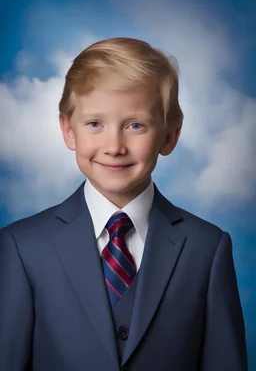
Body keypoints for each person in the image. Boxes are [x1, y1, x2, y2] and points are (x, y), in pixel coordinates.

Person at [0, 37, 247, 370]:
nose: (114, 146)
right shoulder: (22, 246)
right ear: (68, 131)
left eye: (135, 125)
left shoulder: (207, 248)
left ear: (169, 136)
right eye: (95, 124)